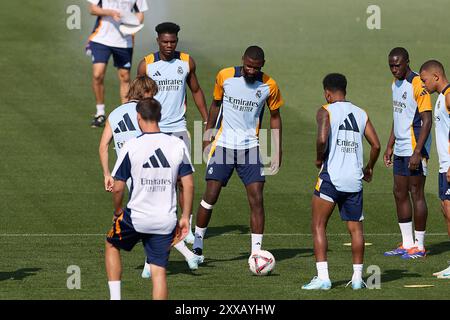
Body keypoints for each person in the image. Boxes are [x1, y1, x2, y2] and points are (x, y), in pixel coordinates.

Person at [99, 76, 203, 280]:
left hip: (124, 174)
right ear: (143, 93)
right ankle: (181, 257)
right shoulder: (144, 114)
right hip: (145, 171)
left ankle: (162, 261)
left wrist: (107, 174)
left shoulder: (114, 113)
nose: (155, 98)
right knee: (157, 220)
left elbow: (103, 146)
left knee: (148, 221)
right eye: (152, 94)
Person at [191, 45, 283, 260]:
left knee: (257, 199)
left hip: (250, 148)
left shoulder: (269, 85)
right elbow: (215, 104)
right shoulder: (225, 76)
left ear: (263, 65)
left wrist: (278, 149)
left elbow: (276, 116)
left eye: (256, 67)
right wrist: (207, 135)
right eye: (248, 66)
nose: (251, 71)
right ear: (242, 60)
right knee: (211, 195)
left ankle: (256, 252)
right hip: (223, 145)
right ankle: (197, 244)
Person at [302, 73, 380, 290]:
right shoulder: (360, 113)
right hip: (354, 180)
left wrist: (319, 157)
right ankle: (357, 279)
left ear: (327, 93)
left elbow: (322, 138)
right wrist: (369, 168)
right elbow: (375, 145)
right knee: (356, 230)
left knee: (318, 225)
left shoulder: (325, 111)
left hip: (331, 178)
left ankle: (323, 278)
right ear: (344, 90)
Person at [137, 22, 209, 247]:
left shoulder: (186, 62)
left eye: (173, 41)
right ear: (157, 40)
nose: (169, 45)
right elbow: (137, 97)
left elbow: (196, 90)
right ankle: (161, 224)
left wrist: (207, 120)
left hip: (178, 129)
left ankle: (184, 225)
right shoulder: (146, 65)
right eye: (165, 41)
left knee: (181, 180)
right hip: (153, 130)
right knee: (157, 180)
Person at [383, 47, 432, 259]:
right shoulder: (395, 84)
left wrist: (418, 151)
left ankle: (419, 246)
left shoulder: (418, 84)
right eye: (391, 66)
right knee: (399, 192)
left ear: (407, 62)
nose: (394, 69)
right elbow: (399, 115)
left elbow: (427, 120)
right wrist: (389, 144)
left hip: (415, 148)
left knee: (416, 193)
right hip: (401, 147)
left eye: (398, 65)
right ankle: (406, 243)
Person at [86, 0, 148, 128]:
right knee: (98, 74)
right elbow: (92, 9)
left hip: (124, 41)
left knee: (125, 76)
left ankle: (126, 115)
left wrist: (134, 23)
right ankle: (100, 113)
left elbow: (140, 14)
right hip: (101, 38)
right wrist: (110, 12)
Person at [419, 60, 450, 278]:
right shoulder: (440, 98)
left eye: (424, 80)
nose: (423, 85)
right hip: (444, 166)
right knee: (446, 212)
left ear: (436, 77)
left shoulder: (449, 96)